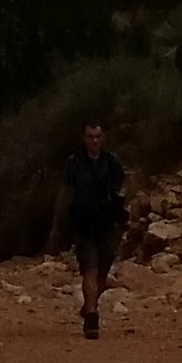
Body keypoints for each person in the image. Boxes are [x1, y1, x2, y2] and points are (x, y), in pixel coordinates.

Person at [61, 115, 127, 339]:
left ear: (103, 137)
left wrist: (121, 209)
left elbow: (122, 186)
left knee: (103, 270)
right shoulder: (74, 163)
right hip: (83, 223)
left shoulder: (112, 162)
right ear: (84, 138)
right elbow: (65, 192)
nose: (95, 141)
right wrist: (58, 223)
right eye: (90, 137)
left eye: (98, 136)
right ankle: (92, 317)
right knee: (90, 268)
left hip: (106, 223)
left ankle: (90, 303)